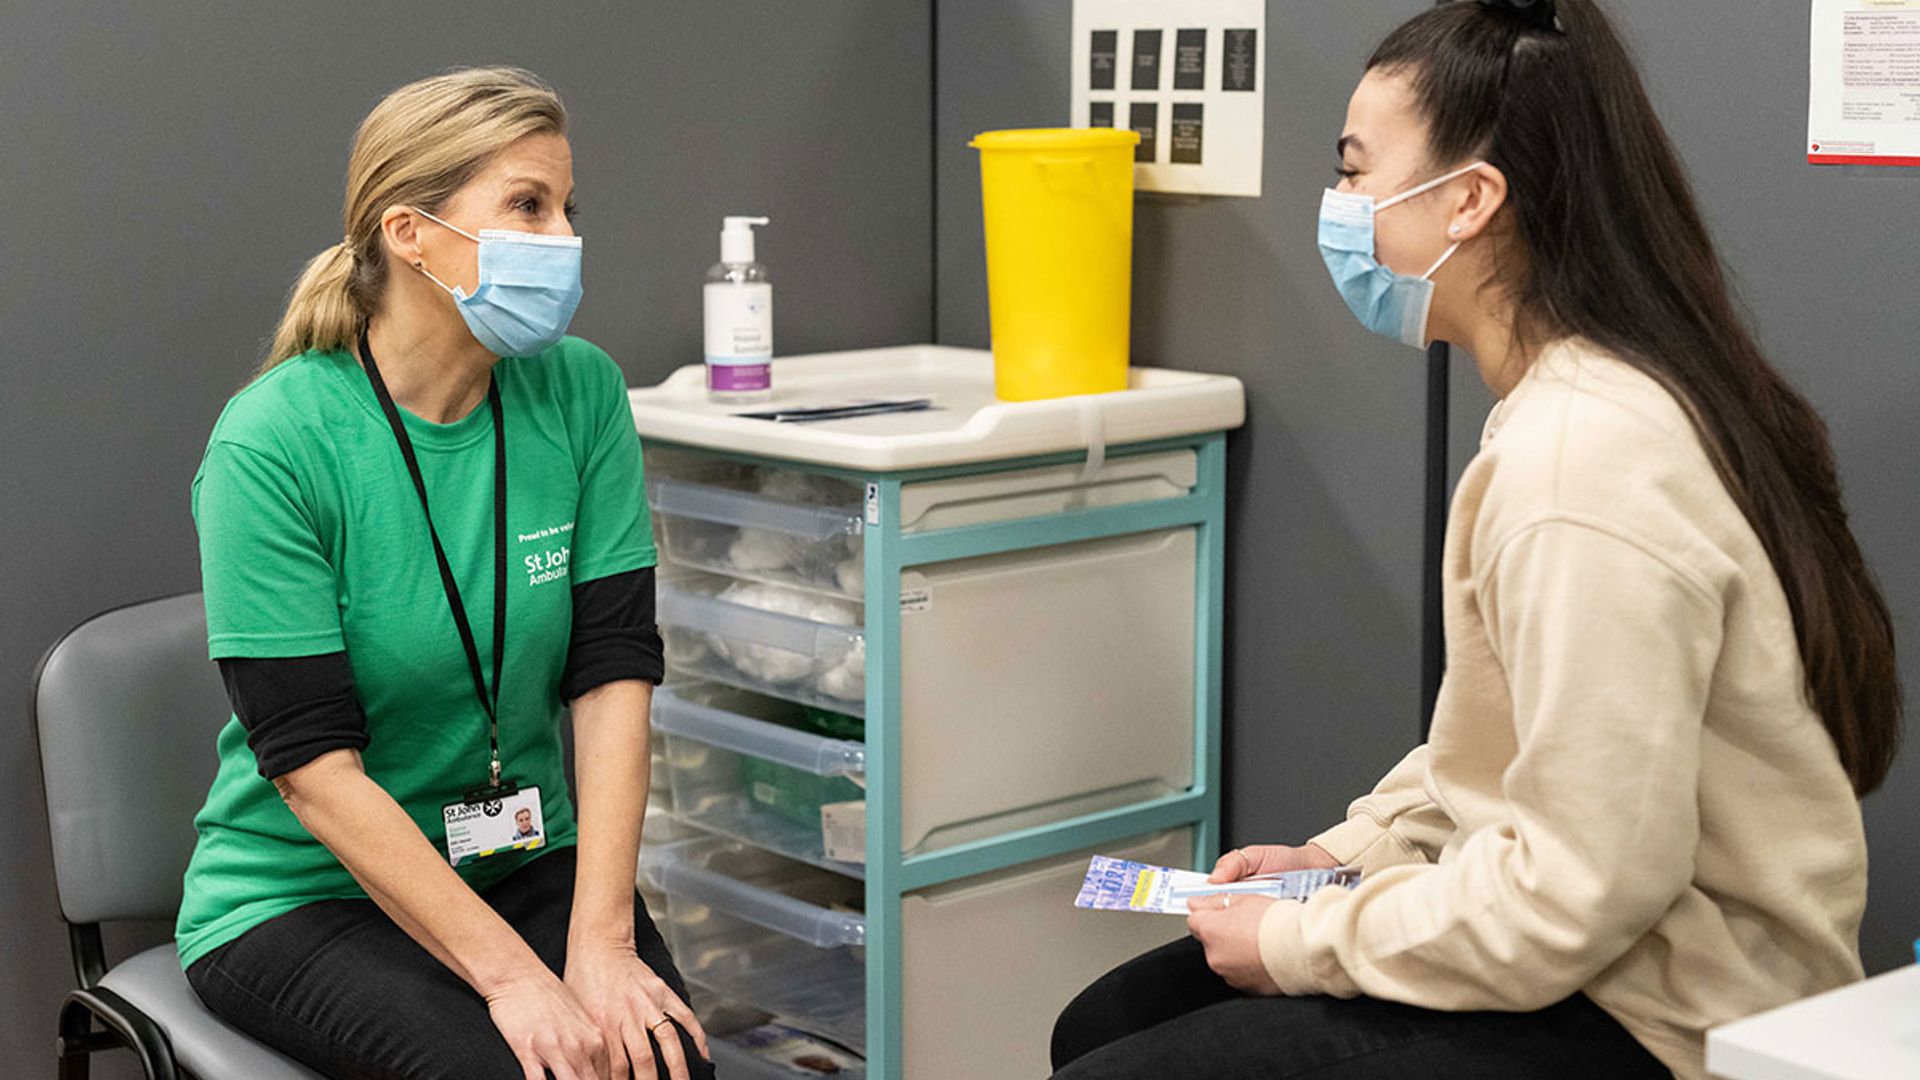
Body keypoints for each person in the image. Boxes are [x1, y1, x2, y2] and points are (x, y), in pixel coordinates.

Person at [1050, 2, 1901, 1078]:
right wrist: (1338, 861)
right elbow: (1511, 755)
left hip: (1657, 1015)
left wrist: (1301, 938)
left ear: (1469, 202)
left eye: (1357, 174)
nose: (1341, 209)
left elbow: (1579, 891)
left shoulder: (1580, 463)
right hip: (1595, 948)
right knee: (1109, 1020)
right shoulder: (1577, 401)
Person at [176, 67, 714, 1080]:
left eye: (565, 207)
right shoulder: (274, 442)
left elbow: (611, 676)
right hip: (305, 893)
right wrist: (518, 983)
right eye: (526, 205)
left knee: (661, 1060)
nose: (563, 240)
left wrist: (601, 946)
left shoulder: (579, 392)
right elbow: (311, 771)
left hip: (525, 855)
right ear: (408, 232)